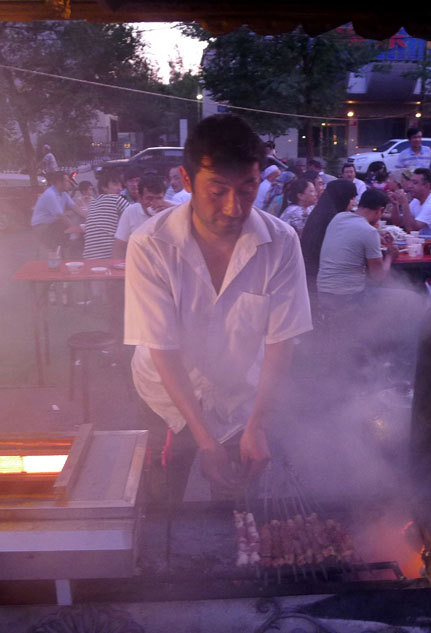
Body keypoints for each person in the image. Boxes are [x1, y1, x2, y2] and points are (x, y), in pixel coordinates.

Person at [124, 114, 312, 500]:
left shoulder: (281, 243)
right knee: (161, 504)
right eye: (218, 191)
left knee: (235, 506)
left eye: (247, 189)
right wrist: (203, 439)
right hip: (166, 397)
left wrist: (257, 424)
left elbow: (281, 342)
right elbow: (163, 349)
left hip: (239, 399)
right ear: (187, 180)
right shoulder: (150, 245)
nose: (233, 207)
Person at [316, 188, 396, 307]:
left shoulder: (338, 218)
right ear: (381, 210)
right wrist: (390, 256)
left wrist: (377, 235)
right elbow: (378, 276)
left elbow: (353, 234)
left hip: (323, 292)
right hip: (348, 297)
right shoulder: (369, 232)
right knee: (408, 298)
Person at [299, 179, 358, 288]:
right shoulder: (331, 217)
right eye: (351, 198)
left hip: (310, 272)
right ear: (342, 197)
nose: (353, 202)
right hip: (317, 277)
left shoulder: (323, 210)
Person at [390, 168, 431, 243]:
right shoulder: (417, 200)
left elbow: (412, 229)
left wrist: (404, 204)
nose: (410, 186)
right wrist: (395, 205)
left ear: (427, 186)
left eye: (415, 183)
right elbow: (398, 223)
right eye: (411, 182)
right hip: (430, 246)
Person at [112, 174, 172, 258]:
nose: (154, 203)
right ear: (140, 198)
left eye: (159, 198)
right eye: (149, 198)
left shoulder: (173, 209)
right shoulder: (131, 212)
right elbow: (119, 247)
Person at [83, 168, 129, 259]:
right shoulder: (116, 199)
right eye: (115, 185)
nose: (120, 188)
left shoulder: (93, 203)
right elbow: (135, 215)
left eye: (121, 185)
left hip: (89, 257)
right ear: (104, 187)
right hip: (109, 256)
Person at [31, 171, 79, 252]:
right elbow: (61, 216)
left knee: (74, 215)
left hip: (53, 223)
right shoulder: (50, 195)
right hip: (42, 227)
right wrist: (76, 229)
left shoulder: (64, 194)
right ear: (59, 182)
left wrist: (91, 218)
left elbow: (76, 209)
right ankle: (61, 250)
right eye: (66, 181)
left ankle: (66, 246)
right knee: (67, 222)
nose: (69, 182)